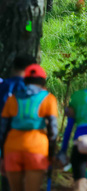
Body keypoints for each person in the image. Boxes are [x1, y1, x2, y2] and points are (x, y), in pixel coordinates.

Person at [0, 64, 58, 191]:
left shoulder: (12, 98)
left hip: (12, 149)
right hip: (37, 149)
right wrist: (52, 152)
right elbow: (53, 130)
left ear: (25, 80)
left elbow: (3, 130)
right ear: (43, 81)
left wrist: (2, 156)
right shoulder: (49, 99)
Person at [0, 55, 36, 190]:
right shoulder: (33, 90)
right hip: (29, 141)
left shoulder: (3, 85)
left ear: (13, 67)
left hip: (6, 141)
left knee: (7, 181)